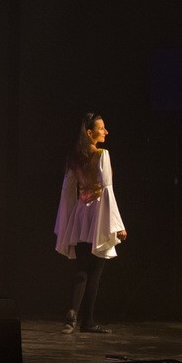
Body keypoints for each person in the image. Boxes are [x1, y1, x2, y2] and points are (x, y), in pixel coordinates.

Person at [54, 113, 127, 333]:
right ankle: (88, 321)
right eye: (102, 128)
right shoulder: (102, 155)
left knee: (82, 268)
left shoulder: (75, 158)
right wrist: (117, 224)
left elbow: (67, 190)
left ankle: (72, 315)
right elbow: (107, 189)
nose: (106, 132)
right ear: (89, 133)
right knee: (95, 270)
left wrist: (66, 221)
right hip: (97, 214)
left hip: (81, 214)